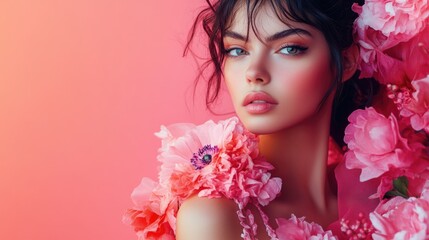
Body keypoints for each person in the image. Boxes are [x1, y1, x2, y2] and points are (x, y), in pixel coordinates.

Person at [124, 0, 429, 239]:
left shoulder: (388, 202)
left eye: (289, 48)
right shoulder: (214, 217)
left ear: (346, 62)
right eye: (237, 50)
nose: (254, 71)